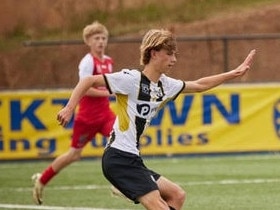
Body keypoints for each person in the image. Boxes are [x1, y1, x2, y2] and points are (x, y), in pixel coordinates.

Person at [56, 29, 256, 210]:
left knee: (177, 195)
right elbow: (88, 80)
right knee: (159, 206)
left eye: (174, 54)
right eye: (169, 54)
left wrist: (233, 73)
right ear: (153, 53)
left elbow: (199, 85)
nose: (174, 59)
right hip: (118, 158)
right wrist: (69, 108)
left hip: (133, 159)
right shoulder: (131, 79)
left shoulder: (165, 85)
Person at [32, 21, 116, 205]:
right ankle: (42, 180)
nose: (101, 42)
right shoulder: (87, 62)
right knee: (73, 155)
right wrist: (108, 92)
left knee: (123, 137)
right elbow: (84, 88)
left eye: (103, 38)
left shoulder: (108, 61)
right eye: (96, 38)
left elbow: (110, 85)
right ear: (88, 41)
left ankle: (120, 183)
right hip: (87, 117)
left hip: (105, 115)